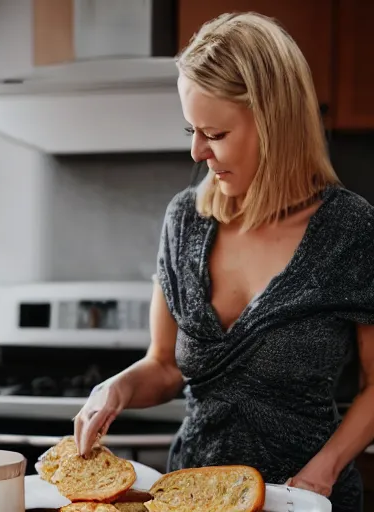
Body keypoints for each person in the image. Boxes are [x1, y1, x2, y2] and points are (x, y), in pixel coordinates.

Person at [74, 12, 374, 512]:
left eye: (214, 133)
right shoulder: (183, 221)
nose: (197, 151)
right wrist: (118, 386)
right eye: (191, 129)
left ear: (274, 122)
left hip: (306, 499)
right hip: (192, 495)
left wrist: (322, 473)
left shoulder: (351, 230)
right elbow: (166, 364)